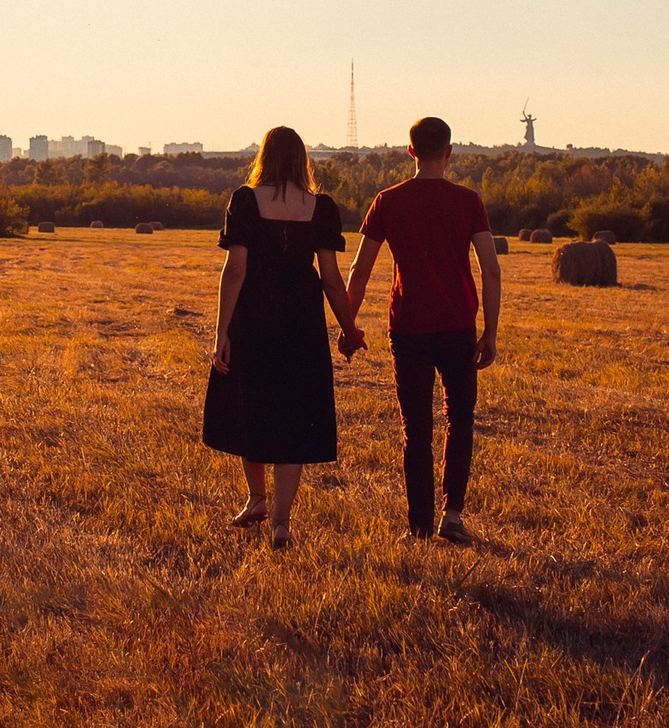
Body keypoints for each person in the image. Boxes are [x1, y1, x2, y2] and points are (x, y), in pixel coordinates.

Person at [344, 116, 501, 541]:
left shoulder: (387, 200)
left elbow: (360, 269)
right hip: (458, 326)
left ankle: (418, 527)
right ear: (449, 153)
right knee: (460, 419)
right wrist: (490, 331)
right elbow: (491, 269)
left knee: (415, 428)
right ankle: (452, 517)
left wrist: (348, 323)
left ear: (411, 151)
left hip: (408, 326)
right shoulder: (468, 201)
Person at [203, 125, 359, 547]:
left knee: (250, 404)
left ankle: (257, 497)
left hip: (253, 316)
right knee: (293, 416)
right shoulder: (321, 207)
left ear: (264, 157)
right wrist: (349, 329)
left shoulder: (244, 200)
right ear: (302, 159)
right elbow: (331, 279)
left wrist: (221, 332)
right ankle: (280, 521)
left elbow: (235, 270)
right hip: (301, 321)